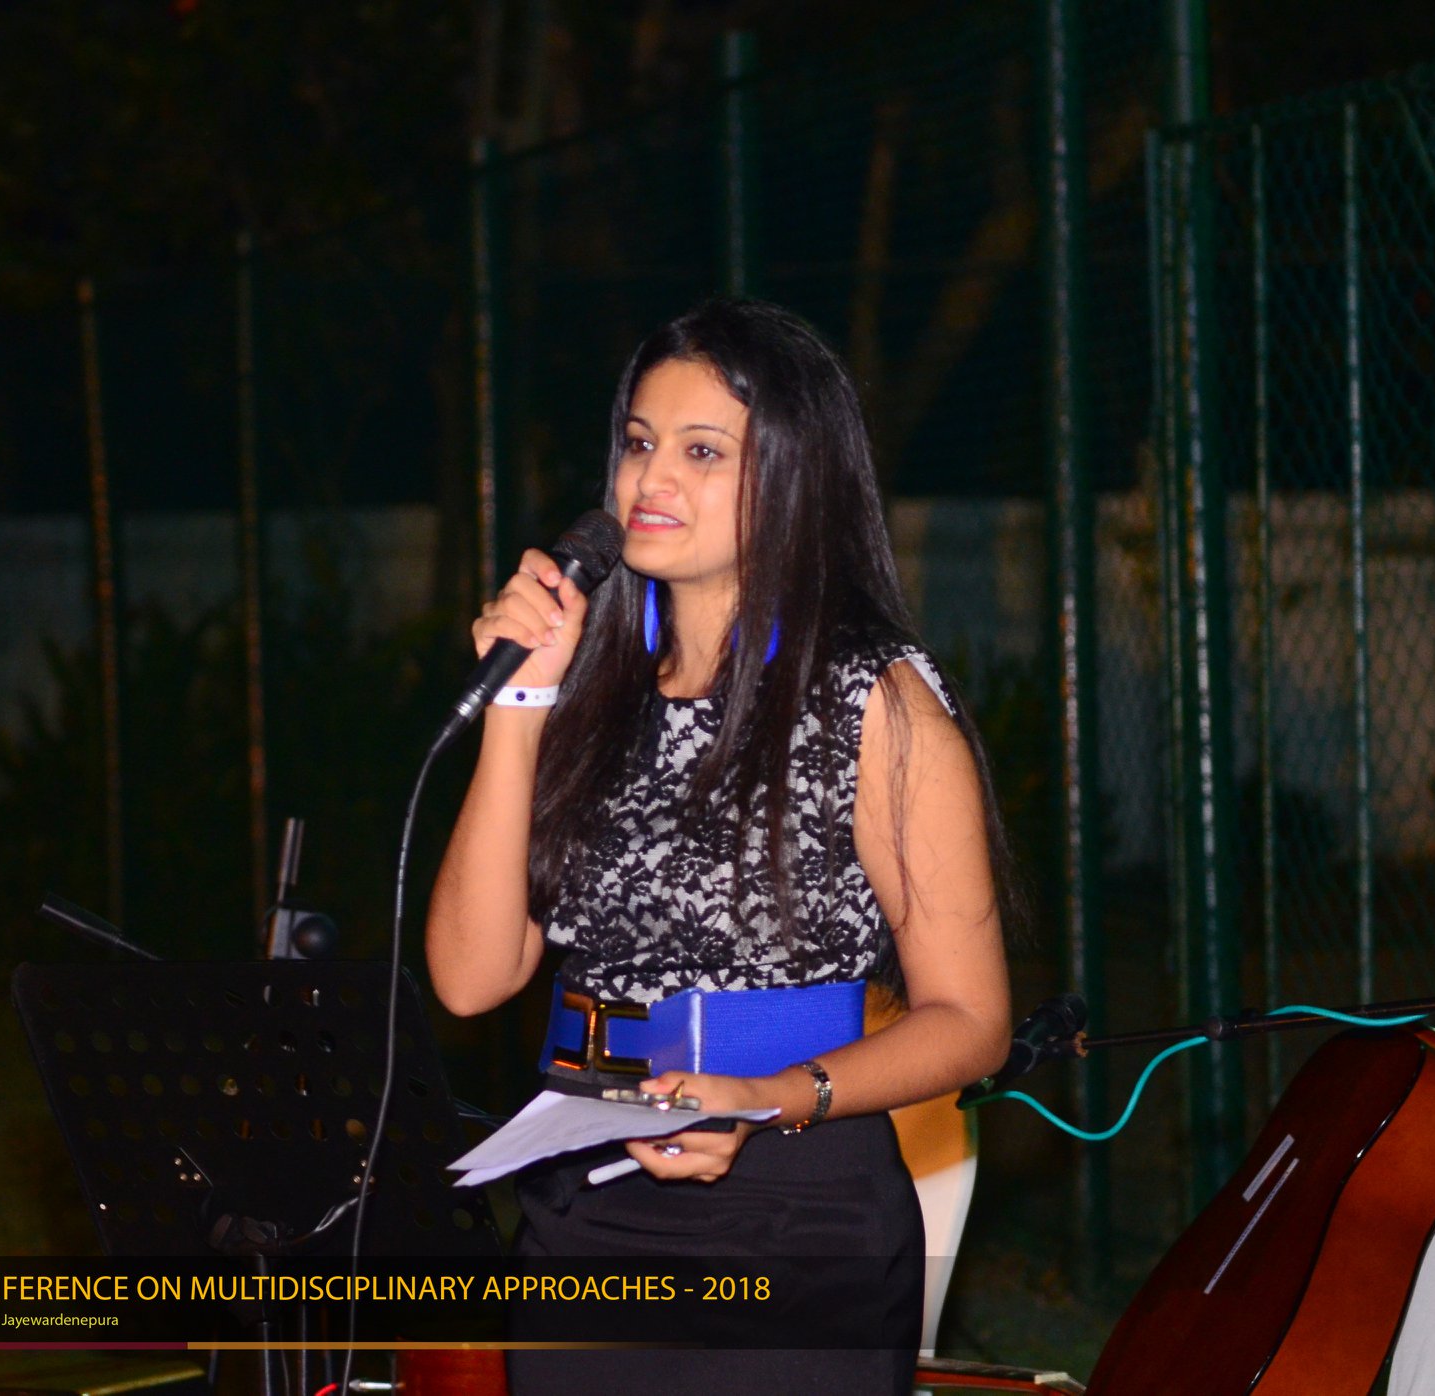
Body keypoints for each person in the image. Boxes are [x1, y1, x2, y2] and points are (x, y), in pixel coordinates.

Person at [424, 299, 1016, 1396]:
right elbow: (470, 977)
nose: (650, 479)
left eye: (702, 452)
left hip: (795, 1212)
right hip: (582, 1201)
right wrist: (520, 701)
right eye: (638, 442)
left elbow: (971, 1021)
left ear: (795, 479)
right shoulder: (587, 691)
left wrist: (761, 1096)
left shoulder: (873, 702)